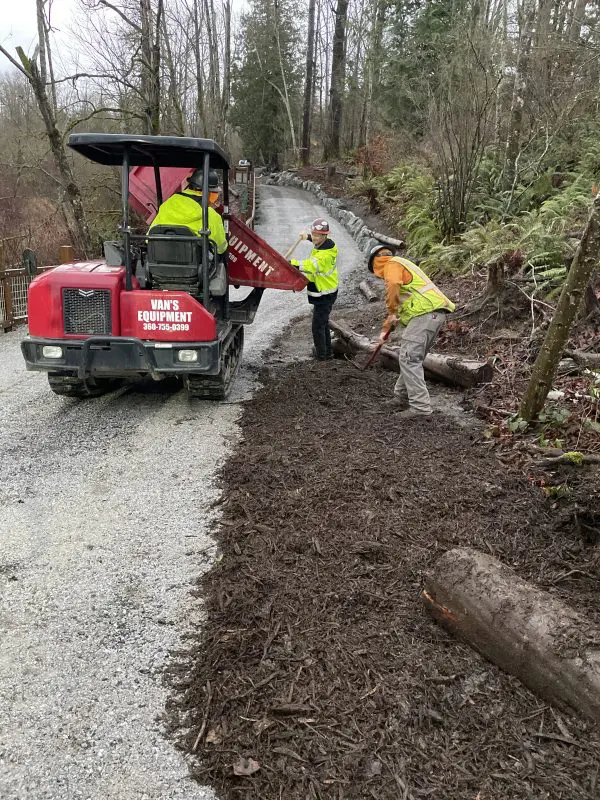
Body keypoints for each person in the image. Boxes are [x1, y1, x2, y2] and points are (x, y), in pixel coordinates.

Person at [368, 243, 455, 417]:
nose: (381, 278)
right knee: (410, 357)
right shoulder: (401, 264)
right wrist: (386, 329)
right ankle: (401, 396)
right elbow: (399, 305)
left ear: (376, 263)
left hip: (425, 314)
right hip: (432, 314)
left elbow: (392, 288)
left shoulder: (391, 264)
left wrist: (391, 312)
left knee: (409, 359)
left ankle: (421, 408)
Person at [290, 218, 339, 361]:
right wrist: (308, 237)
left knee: (317, 326)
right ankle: (327, 353)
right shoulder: (328, 245)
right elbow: (317, 241)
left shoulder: (324, 256)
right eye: (314, 234)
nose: (315, 238)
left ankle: (322, 356)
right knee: (322, 324)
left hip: (325, 294)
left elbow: (310, 265)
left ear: (325, 236)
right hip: (325, 291)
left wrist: (290, 263)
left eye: (318, 235)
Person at [149, 169, 227, 256]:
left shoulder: (167, 204)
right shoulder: (210, 214)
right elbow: (220, 248)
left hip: (159, 262)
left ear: (190, 186)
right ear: (206, 192)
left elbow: (148, 238)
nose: (213, 201)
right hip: (196, 267)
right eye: (213, 196)